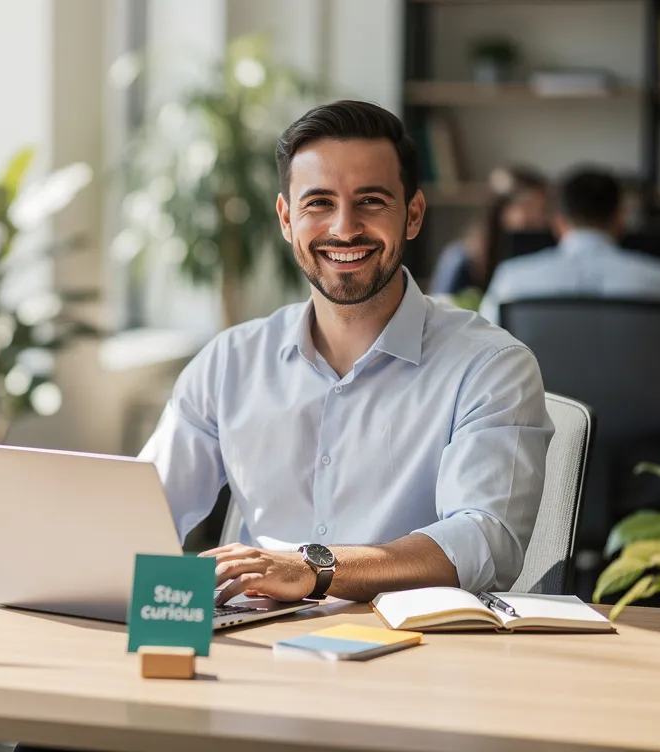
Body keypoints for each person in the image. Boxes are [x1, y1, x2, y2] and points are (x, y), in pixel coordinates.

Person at [140, 100, 553, 606]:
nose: (344, 228)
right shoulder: (230, 361)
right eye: (319, 203)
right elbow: (142, 513)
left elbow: (484, 541)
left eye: (371, 201)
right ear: (286, 218)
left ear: (413, 215)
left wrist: (311, 568)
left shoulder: (491, 366)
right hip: (255, 638)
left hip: (416, 643)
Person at [480, 167, 660, 393]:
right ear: (620, 218)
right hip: (641, 425)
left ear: (558, 221)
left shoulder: (511, 280)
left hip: (549, 424)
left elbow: (484, 364)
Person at [429, 165, 549, 296]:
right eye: (529, 207)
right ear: (503, 208)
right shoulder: (461, 258)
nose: (539, 218)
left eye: (544, 209)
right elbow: (440, 301)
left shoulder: (548, 251)